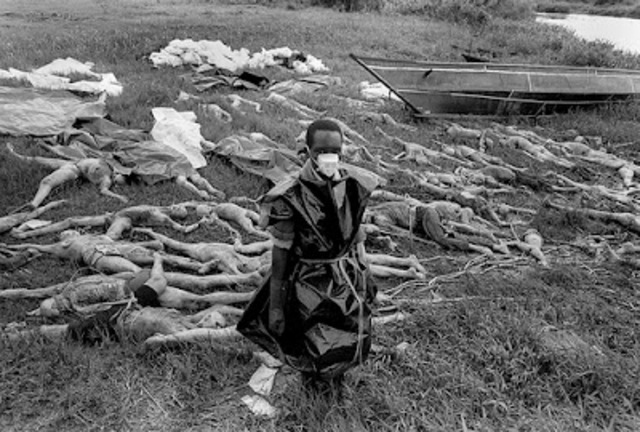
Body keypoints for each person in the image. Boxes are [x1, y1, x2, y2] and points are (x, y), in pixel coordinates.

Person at [237, 119, 379, 394]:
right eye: (321, 151)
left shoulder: (352, 185)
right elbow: (280, 254)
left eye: (335, 151)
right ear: (308, 152)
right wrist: (276, 306)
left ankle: (337, 380)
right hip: (308, 281)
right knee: (313, 339)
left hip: (345, 273)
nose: (329, 157)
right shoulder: (290, 196)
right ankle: (313, 389)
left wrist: (365, 274)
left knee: (348, 328)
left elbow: (357, 236)